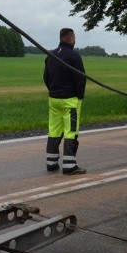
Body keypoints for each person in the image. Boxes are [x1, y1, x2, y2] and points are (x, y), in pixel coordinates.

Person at [43, 28, 87, 175]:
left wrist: (53, 90)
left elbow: (46, 77)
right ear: (71, 38)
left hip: (54, 99)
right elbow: (80, 78)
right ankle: (69, 165)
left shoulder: (51, 55)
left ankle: (51, 162)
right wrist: (79, 95)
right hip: (70, 100)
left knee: (54, 130)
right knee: (71, 131)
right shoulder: (74, 56)